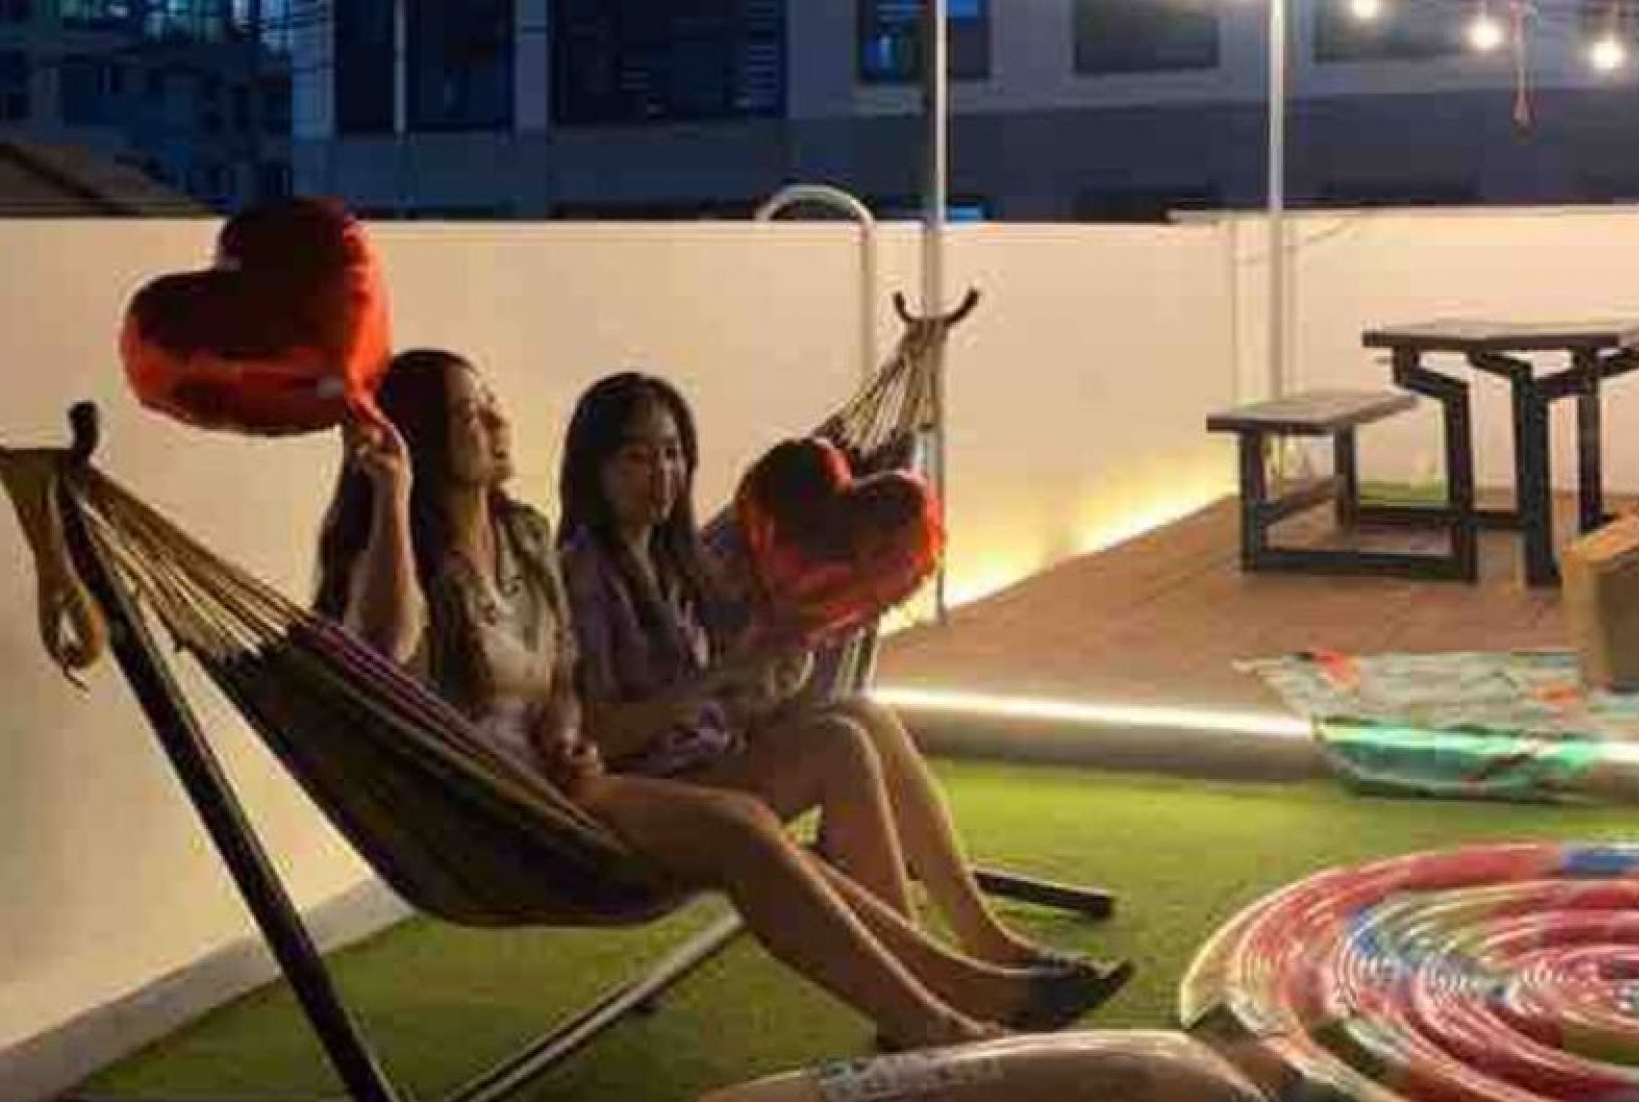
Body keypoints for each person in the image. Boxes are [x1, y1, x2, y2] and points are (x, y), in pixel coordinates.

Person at [313, 349, 1123, 1051]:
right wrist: (391, 496)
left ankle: (965, 983)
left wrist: (573, 725)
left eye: (491, 401)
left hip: (582, 778)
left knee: (847, 731)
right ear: (422, 440)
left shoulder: (525, 535)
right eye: (469, 412)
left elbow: (560, 681)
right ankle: (946, 1010)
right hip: (514, 814)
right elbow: (382, 651)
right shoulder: (453, 564)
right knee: (778, 797)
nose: (497, 419)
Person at [556, 372, 1124, 977]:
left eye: (672, 453)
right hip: (657, 797)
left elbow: (710, 705)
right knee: (839, 746)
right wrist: (720, 676)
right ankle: (926, 974)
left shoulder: (674, 560)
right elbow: (602, 736)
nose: (662, 475)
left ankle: (985, 941)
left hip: (709, 761)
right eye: (637, 457)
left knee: (863, 715)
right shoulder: (585, 575)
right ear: (594, 468)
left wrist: (766, 676)